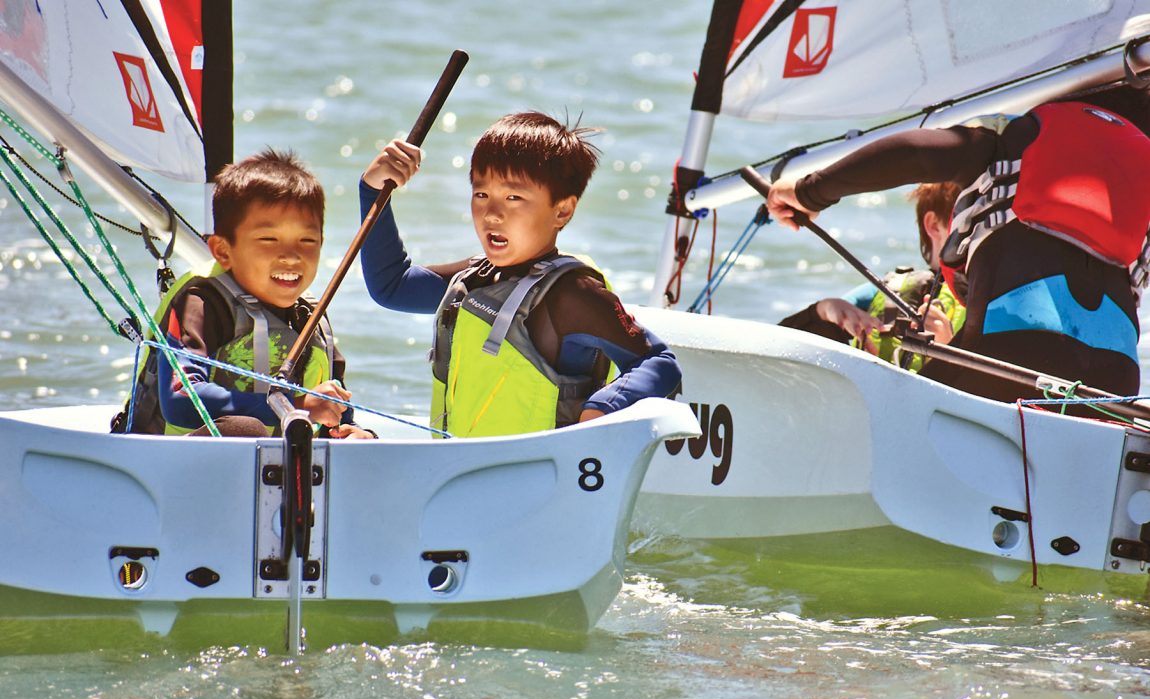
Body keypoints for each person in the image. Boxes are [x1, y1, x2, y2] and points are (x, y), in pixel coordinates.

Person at [767, 85, 1150, 403]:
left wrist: (810, 192)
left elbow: (913, 152)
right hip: (1116, 387)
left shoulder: (1019, 138)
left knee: (890, 411)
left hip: (1010, 359)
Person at [357, 110, 682, 437]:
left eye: (514, 197)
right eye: (481, 194)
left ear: (562, 210)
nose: (492, 214)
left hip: (542, 480)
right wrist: (373, 191)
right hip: (461, 472)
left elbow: (658, 361)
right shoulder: (473, 280)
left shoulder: (573, 293)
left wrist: (606, 405)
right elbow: (391, 286)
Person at [114, 149, 373, 438]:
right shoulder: (200, 303)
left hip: (271, 470)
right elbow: (180, 400)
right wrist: (295, 404)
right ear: (223, 251)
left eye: (307, 240)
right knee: (244, 429)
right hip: (168, 463)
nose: (291, 256)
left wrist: (353, 432)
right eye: (268, 239)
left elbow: (334, 410)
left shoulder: (310, 319)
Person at [779, 182, 964, 372]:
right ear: (934, 225)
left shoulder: (989, 305)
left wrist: (948, 354)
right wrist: (822, 314)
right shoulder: (885, 292)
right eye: (969, 221)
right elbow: (778, 354)